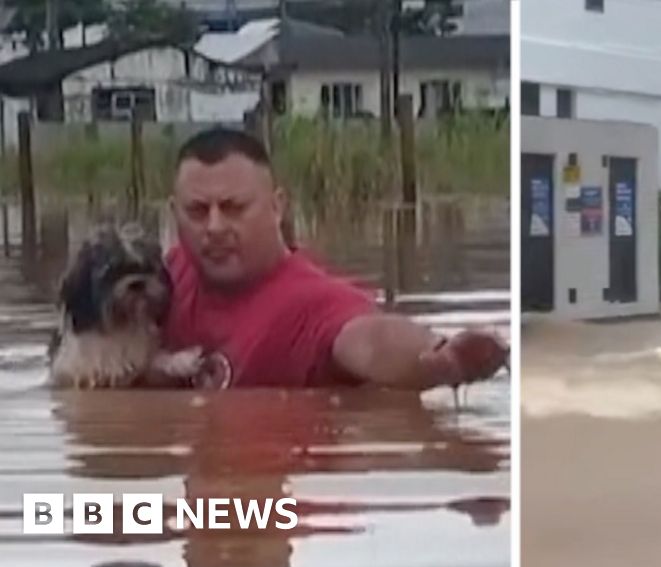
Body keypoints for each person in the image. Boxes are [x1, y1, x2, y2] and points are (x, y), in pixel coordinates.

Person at [162, 127, 508, 389]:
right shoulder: (158, 281)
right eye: (197, 211)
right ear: (174, 213)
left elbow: (370, 340)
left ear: (276, 207)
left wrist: (443, 357)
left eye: (234, 208)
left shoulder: (314, 303)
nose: (215, 226)